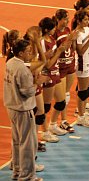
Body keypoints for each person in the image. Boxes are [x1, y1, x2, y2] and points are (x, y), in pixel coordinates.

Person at [4, 39, 49, 181]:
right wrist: (38, 82)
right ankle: (27, 176)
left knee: (17, 141)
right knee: (27, 144)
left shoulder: (10, 63)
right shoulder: (22, 69)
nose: (31, 54)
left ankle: (17, 171)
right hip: (23, 109)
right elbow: (27, 92)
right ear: (21, 53)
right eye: (28, 51)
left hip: (11, 107)